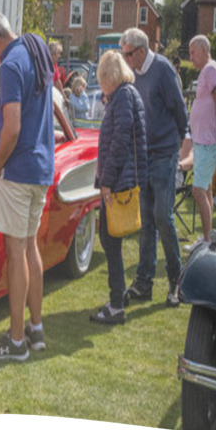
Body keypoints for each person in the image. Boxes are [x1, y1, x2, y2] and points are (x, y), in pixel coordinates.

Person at [0, 12, 54, 361]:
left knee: (15, 251)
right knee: (30, 248)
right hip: (42, 165)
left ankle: (17, 340)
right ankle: (35, 329)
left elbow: (11, 127)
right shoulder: (37, 48)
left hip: (18, 167)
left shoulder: (9, 66)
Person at [120, 28, 189, 307]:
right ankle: (144, 282)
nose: (124, 59)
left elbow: (180, 113)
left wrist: (177, 149)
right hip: (144, 154)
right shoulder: (134, 73)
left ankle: (177, 281)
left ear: (139, 51)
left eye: (127, 54)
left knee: (163, 216)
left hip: (164, 153)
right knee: (146, 221)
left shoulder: (162, 70)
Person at [90, 50, 148, 324]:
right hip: (124, 177)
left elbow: (119, 142)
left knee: (110, 241)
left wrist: (107, 181)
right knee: (112, 241)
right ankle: (120, 295)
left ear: (110, 77)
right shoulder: (127, 95)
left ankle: (115, 305)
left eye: (103, 80)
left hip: (118, 181)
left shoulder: (122, 97)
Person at [184, 35, 216, 251]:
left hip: (208, 142)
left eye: (192, 52)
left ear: (204, 50)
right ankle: (208, 236)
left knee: (198, 191)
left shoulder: (210, 70)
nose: (190, 58)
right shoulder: (207, 71)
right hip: (201, 141)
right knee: (204, 190)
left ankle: (207, 241)